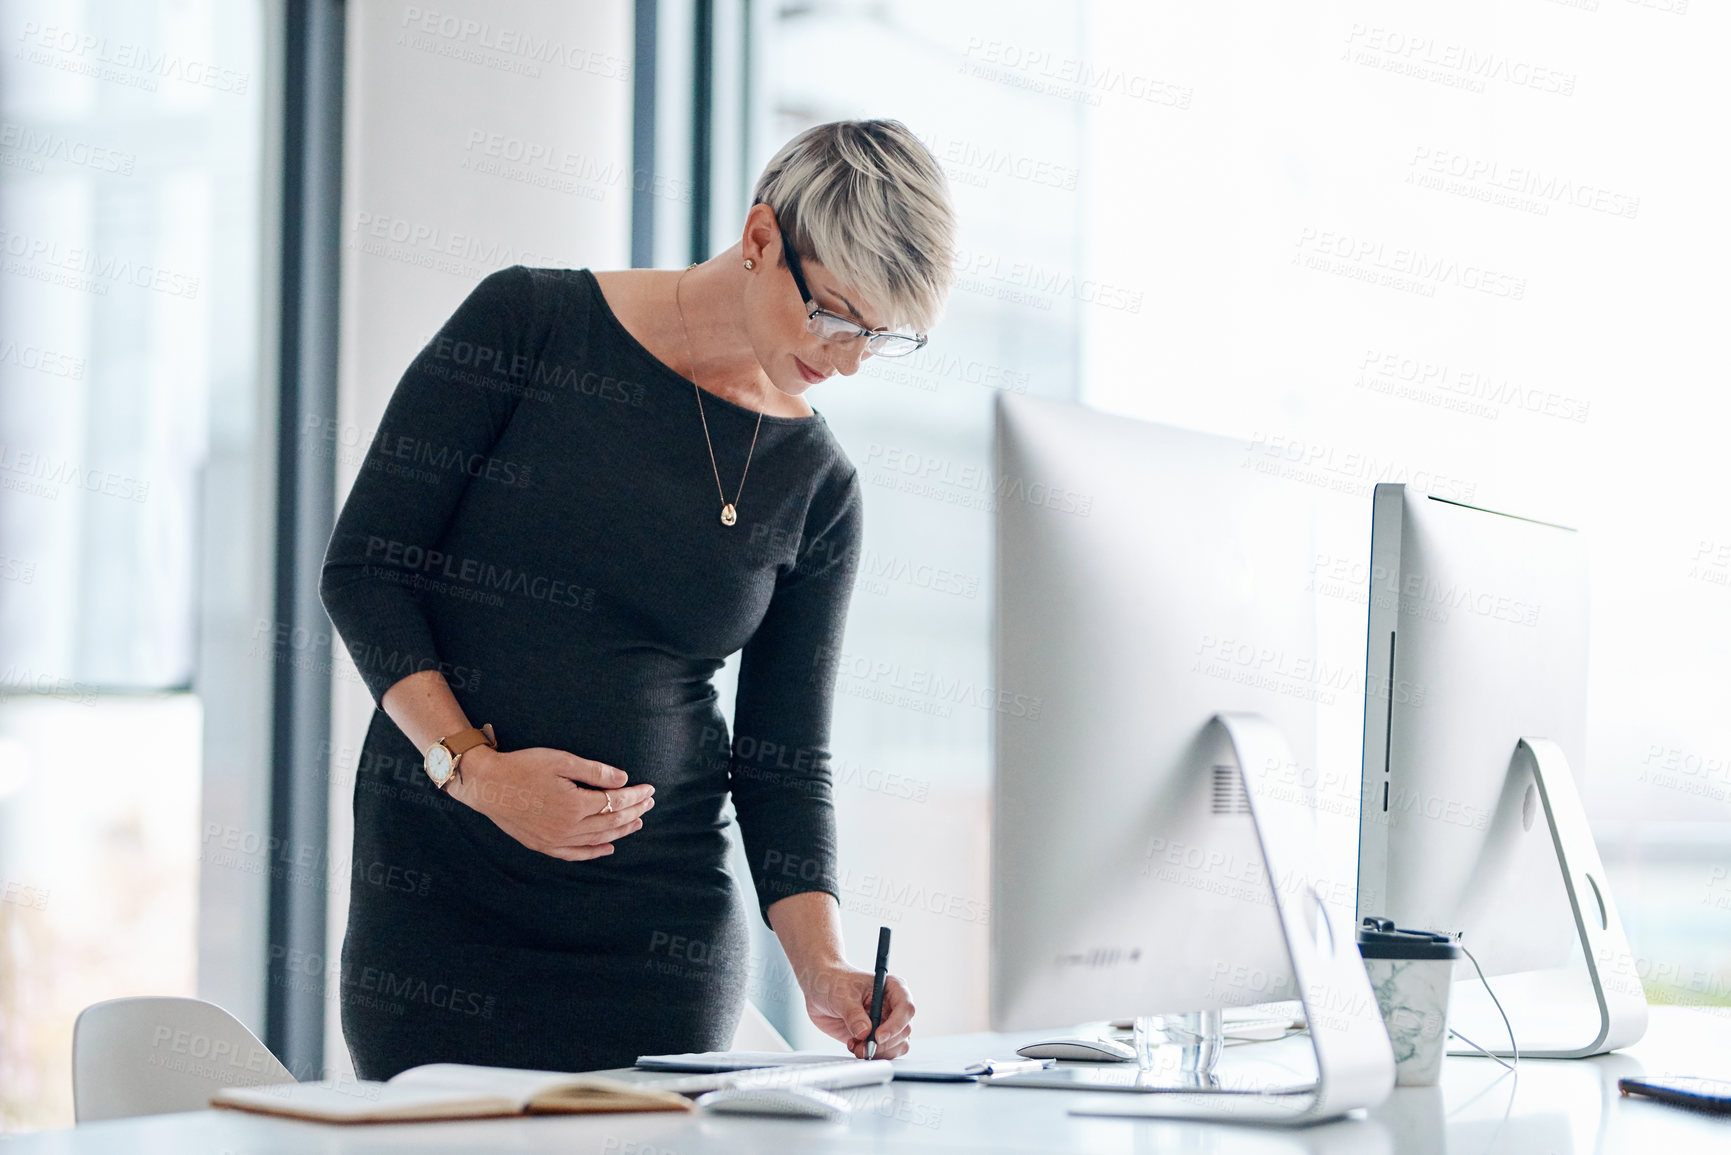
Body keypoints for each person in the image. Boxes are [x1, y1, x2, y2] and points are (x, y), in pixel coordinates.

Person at [318, 119, 956, 1078]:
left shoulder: (818, 483)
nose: (848, 359)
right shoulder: (527, 324)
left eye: (878, 337)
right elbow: (366, 568)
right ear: (759, 241)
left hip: (658, 949)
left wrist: (822, 965)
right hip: (443, 916)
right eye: (833, 314)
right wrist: (479, 773)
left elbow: (784, 763)